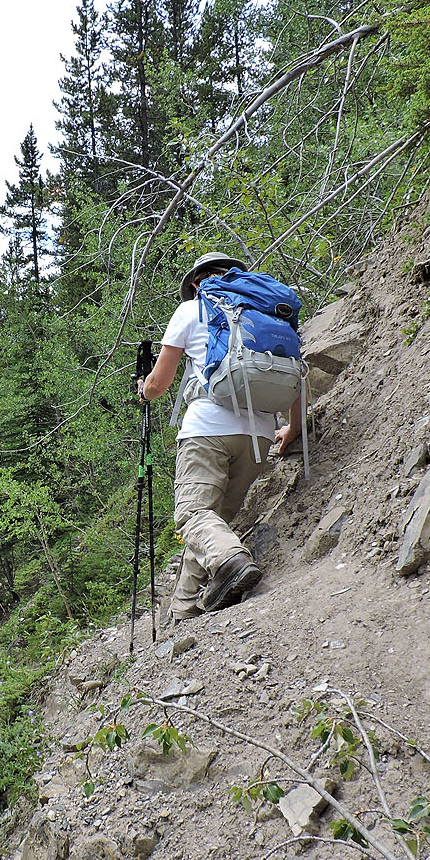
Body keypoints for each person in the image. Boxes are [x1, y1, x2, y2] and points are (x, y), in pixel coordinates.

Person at [137, 251, 303, 620]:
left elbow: (159, 384)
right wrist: (294, 426)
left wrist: (142, 389)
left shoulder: (192, 309)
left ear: (197, 282)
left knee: (193, 514)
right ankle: (183, 614)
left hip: (207, 431)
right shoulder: (268, 310)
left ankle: (232, 561)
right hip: (259, 438)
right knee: (213, 525)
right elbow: (295, 373)